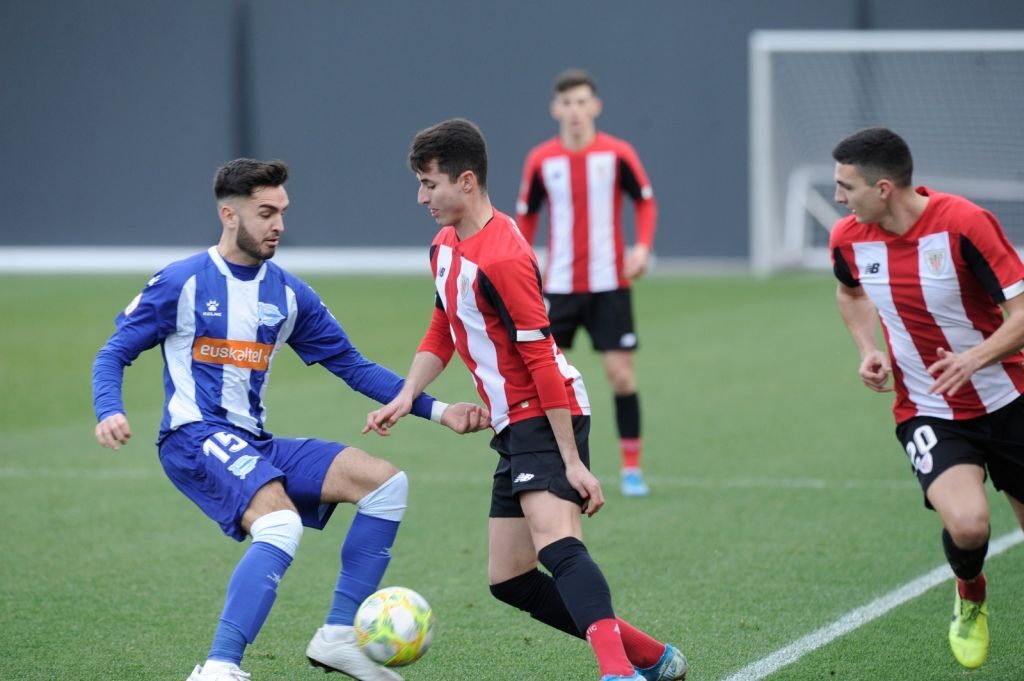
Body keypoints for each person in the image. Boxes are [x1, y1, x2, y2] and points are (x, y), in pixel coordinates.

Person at [91, 158, 488, 681]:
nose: (278, 224)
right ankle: (218, 668)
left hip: (254, 443)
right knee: (279, 523)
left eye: (282, 211)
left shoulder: (289, 294)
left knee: (385, 484)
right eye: (265, 212)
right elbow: (113, 352)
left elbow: (351, 365)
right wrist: (109, 409)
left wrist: (439, 410)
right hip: (193, 438)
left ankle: (339, 637)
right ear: (229, 214)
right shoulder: (181, 282)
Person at [363, 118, 687, 681]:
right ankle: (650, 657)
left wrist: (571, 461)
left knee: (557, 544)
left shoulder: (506, 257)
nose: (422, 197)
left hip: (547, 409)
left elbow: (541, 361)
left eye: (429, 183)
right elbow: (442, 327)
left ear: (467, 181)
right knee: (510, 577)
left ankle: (618, 673)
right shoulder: (443, 247)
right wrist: (407, 394)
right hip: (514, 424)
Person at [830, 127, 1024, 670]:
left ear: (884, 188)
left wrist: (974, 357)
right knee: (967, 525)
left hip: (1010, 399)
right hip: (929, 410)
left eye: (847, 186)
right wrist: (868, 347)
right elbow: (849, 292)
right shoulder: (848, 238)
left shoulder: (964, 224)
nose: (839, 198)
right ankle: (970, 592)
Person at [515, 68, 658, 497]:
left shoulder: (617, 154)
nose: (575, 111)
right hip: (558, 286)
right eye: (567, 103)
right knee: (541, 376)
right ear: (555, 109)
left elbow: (645, 203)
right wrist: (524, 261)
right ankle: (539, 461)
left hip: (610, 283)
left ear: (595, 106)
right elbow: (526, 215)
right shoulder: (542, 159)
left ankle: (631, 469)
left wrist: (642, 248)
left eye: (582, 102)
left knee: (620, 376)